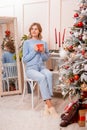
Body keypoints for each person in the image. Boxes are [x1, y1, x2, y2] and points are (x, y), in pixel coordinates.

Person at [23, 22, 58, 117]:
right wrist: (34, 51)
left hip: (41, 67)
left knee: (49, 74)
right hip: (31, 69)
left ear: (39, 31)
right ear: (30, 31)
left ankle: (47, 104)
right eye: (32, 29)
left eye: (36, 29)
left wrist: (42, 52)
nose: (34, 30)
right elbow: (24, 59)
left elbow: (46, 58)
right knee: (42, 77)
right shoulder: (26, 43)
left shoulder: (43, 43)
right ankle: (50, 106)